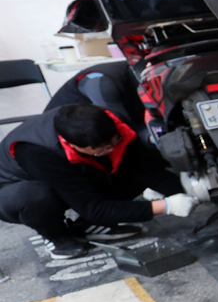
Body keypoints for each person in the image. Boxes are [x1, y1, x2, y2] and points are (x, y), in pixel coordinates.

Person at [0, 104, 198, 259]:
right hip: (14, 191)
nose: (111, 149)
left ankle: (87, 226)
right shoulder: (37, 152)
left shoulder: (104, 123)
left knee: (138, 161)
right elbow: (93, 207)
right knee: (37, 196)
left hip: (71, 173)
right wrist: (167, 206)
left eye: (113, 142)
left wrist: (189, 192)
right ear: (71, 144)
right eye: (101, 149)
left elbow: (144, 169)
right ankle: (57, 237)